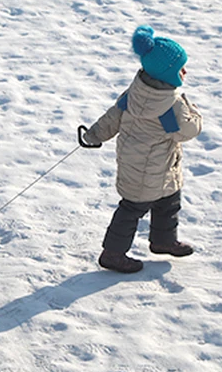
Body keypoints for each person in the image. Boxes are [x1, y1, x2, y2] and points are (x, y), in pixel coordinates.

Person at [79, 25, 203, 273]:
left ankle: (163, 241)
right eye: (180, 67)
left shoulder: (136, 92)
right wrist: (192, 107)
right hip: (154, 168)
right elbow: (188, 131)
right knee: (132, 210)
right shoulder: (171, 106)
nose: (185, 71)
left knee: (168, 200)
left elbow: (113, 117)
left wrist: (94, 135)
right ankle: (112, 254)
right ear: (168, 74)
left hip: (137, 163)